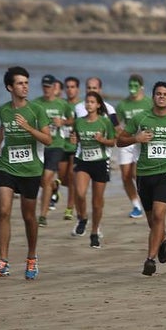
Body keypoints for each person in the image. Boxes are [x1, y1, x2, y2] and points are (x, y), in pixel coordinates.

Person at [117, 81, 166, 276]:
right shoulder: (141, 118)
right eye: (158, 94)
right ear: (153, 96)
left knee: (159, 215)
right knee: (152, 222)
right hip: (144, 174)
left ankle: (150, 260)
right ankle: (164, 238)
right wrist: (136, 138)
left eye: (165, 94)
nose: (161, 97)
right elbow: (120, 140)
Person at [0, 66, 52, 278]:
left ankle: (32, 258)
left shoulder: (36, 110)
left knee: (28, 216)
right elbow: (3, 126)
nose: (25, 86)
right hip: (7, 165)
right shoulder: (3, 110)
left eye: (26, 82)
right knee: (4, 211)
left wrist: (28, 128)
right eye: (20, 83)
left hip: (31, 169)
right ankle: (3, 261)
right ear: (10, 87)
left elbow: (48, 139)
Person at [70, 91, 116, 248]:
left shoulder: (105, 122)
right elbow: (74, 138)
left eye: (92, 102)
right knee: (80, 193)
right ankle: (82, 217)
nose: (89, 104)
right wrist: (73, 139)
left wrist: (102, 140)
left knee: (97, 203)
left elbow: (113, 142)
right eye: (87, 101)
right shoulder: (79, 122)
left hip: (100, 162)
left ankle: (95, 232)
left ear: (98, 105)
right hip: (83, 160)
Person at [36, 75, 72, 228]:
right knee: (42, 181)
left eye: (49, 86)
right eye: (44, 86)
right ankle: (54, 188)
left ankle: (43, 216)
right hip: (39, 146)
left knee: (46, 177)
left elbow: (73, 120)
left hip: (56, 145)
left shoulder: (62, 104)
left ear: (54, 88)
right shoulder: (35, 103)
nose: (46, 89)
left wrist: (63, 122)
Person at [115, 73, 149, 219]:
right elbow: (116, 123)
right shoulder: (123, 105)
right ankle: (136, 206)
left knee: (136, 174)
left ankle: (148, 198)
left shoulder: (148, 103)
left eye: (135, 85)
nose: (132, 88)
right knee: (125, 176)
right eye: (130, 85)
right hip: (127, 141)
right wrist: (119, 132)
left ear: (141, 87)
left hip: (141, 142)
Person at [59, 76, 83, 221]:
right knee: (62, 177)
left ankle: (69, 208)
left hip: (76, 145)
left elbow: (83, 121)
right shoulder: (60, 104)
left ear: (77, 89)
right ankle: (60, 191)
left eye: (72, 87)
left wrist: (65, 121)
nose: (70, 89)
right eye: (67, 87)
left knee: (71, 174)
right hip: (62, 144)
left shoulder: (82, 105)